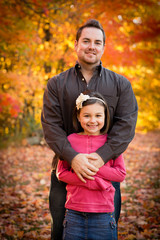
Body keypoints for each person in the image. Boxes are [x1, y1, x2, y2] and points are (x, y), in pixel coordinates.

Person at [41, 19, 138, 240]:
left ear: (104, 47)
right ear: (76, 44)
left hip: (105, 174)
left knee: (105, 231)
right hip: (65, 173)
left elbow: (126, 126)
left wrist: (100, 157)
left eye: (97, 42)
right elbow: (51, 126)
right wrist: (73, 157)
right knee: (61, 231)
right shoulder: (56, 84)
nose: (91, 46)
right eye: (86, 41)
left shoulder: (121, 84)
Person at [56, 91, 126, 240]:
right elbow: (61, 173)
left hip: (103, 214)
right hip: (74, 213)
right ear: (78, 117)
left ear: (105, 117)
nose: (92, 120)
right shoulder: (70, 140)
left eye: (98, 115)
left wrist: (94, 168)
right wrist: (89, 180)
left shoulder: (111, 143)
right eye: (87, 115)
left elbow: (120, 174)